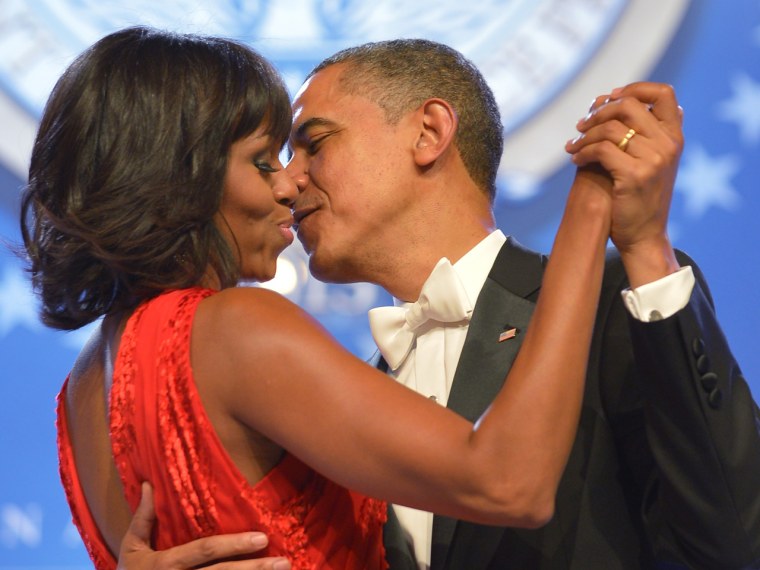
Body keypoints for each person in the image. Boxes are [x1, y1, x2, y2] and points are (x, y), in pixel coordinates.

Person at [122, 39, 760, 569]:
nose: (290, 183)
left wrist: (645, 248)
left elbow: (733, 539)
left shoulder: (610, 298)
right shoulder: (340, 405)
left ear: (429, 132)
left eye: (313, 144)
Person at [22, 27, 631, 570]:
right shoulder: (234, 329)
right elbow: (509, 484)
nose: (290, 184)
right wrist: (592, 205)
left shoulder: (77, 400)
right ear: (183, 177)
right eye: (263, 162)